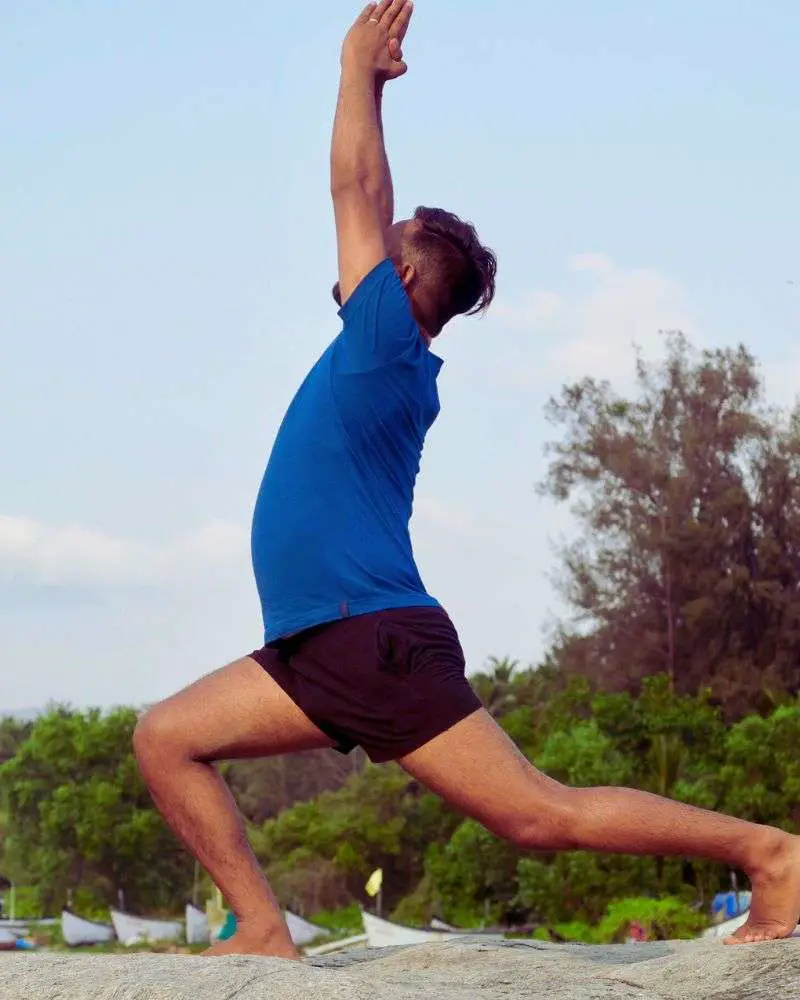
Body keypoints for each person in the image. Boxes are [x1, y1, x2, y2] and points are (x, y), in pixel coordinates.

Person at [133, 0, 800, 960]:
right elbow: (378, 199)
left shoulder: (380, 348)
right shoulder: (384, 347)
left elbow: (354, 185)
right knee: (167, 738)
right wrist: (375, 95)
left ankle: (768, 854)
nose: (359, 246)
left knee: (538, 814)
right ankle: (263, 926)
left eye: (384, 244)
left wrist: (352, 69)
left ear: (400, 278)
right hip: (320, 644)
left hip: (370, 638)